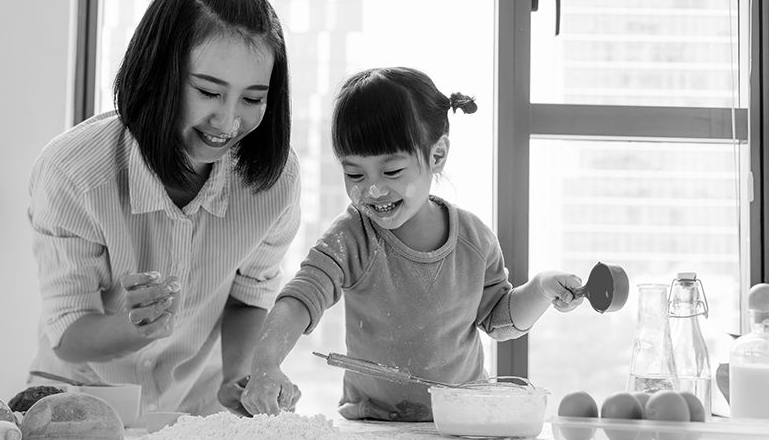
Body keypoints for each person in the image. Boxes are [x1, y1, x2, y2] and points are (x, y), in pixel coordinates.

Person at [26, 0, 300, 416]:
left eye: (252, 99)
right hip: (81, 400)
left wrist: (244, 375)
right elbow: (70, 334)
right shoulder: (74, 172)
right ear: (159, 72)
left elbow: (248, 297)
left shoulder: (272, 180)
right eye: (209, 91)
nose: (229, 121)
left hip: (197, 409)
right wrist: (137, 327)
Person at [239, 67, 584, 421]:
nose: (372, 190)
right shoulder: (352, 236)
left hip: (460, 425)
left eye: (391, 172)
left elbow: (499, 320)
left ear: (437, 156)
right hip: (372, 428)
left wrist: (541, 289)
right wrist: (266, 364)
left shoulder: (474, 241)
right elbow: (300, 298)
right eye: (354, 174)